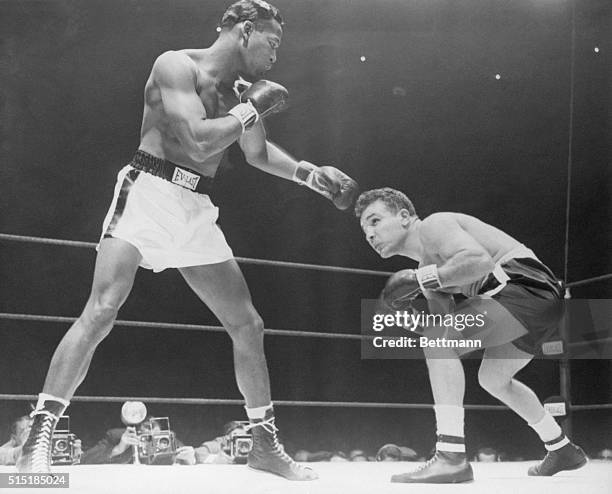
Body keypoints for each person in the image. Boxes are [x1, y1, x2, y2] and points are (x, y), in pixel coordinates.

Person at [18, 0, 358, 480]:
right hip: (148, 192)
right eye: (272, 41)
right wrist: (252, 107)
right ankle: (40, 435)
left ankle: (264, 444)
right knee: (102, 310)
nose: (276, 54)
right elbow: (198, 140)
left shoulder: (239, 91)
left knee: (248, 325)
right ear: (243, 31)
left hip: (196, 209)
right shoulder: (175, 64)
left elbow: (257, 153)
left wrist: (309, 173)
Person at [355, 188, 587, 483]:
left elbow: (479, 261)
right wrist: (406, 318)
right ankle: (562, 448)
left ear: (403, 216)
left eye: (375, 221)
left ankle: (451, 456)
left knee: (439, 340)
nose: (370, 235)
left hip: (526, 288)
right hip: (532, 305)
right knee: (492, 379)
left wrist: (418, 280)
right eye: (365, 231)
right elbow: (447, 329)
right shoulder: (427, 272)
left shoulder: (433, 226)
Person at [80, 418, 195, 465]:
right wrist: (118, 449)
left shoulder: (166, 439)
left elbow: (187, 458)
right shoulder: (116, 436)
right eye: (146, 426)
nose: (150, 431)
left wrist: (190, 458)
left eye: (154, 425)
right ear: (138, 428)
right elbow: (85, 459)